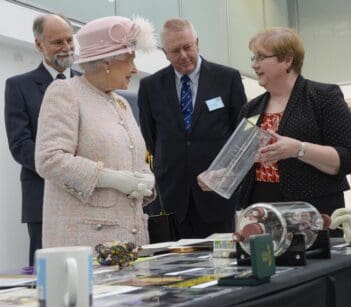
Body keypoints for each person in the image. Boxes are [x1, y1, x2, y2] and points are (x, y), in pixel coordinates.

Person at [200, 27, 351, 219]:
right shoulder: (251, 109)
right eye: (253, 58)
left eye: (260, 57)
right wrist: (220, 177)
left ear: (287, 60)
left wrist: (298, 149)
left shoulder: (323, 97)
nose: (254, 65)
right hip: (260, 210)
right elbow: (245, 162)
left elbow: (348, 158)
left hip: (311, 211)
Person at [35, 16, 157, 248]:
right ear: (107, 62)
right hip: (86, 245)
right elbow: (49, 159)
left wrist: (146, 178)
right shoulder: (65, 92)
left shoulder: (121, 102)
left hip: (130, 241)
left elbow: (132, 157)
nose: (135, 69)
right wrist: (111, 178)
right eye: (130, 59)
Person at [138, 17, 247, 238]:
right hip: (171, 196)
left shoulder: (228, 78)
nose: (183, 55)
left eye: (188, 47)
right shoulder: (150, 87)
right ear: (165, 52)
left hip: (216, 195)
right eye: (175, 51)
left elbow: (241, 135)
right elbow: (151, 138)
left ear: (197, 42)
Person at [4, 13, 80, 266]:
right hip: (42, 196)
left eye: (70, 40)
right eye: (58, 42)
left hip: (89, 196)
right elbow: (20, 145)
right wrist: (63, 169)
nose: (67, 48)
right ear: (39, 45)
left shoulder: (88, 83)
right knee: (48, 277)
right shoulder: (18, 86)